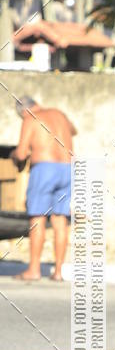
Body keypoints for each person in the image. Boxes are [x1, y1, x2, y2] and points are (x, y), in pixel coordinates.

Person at [10, 96, 76, 281]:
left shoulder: (30, 118)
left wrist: (14, 155)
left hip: (45, 169)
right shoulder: (59, 114)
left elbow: (22, 153)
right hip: (68, 168)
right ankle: (58, 272)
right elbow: (74, 130)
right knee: (60, 219)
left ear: (23, 111)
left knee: (37, 217)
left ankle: (33, 270)